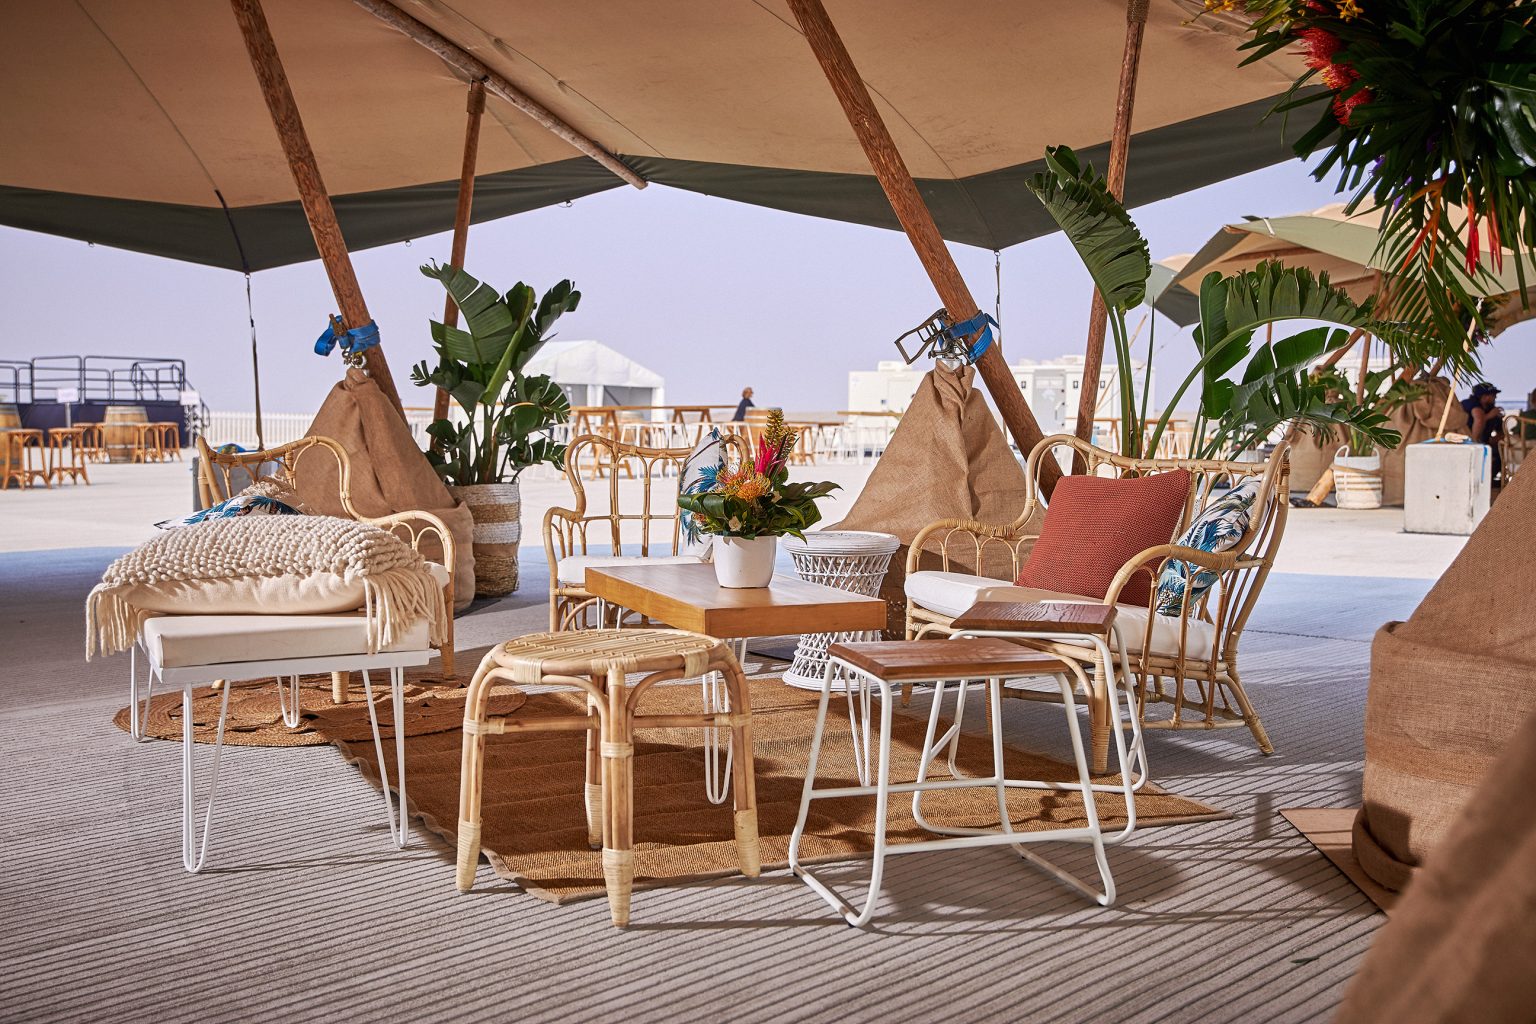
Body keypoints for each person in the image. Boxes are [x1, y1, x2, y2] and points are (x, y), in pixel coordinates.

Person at [1462, 381, 1504, 482]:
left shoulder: (1491, 409)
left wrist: (1495, 439)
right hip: (1465, 442)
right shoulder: (1470, 404)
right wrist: (1489, 416)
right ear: (1485, 396)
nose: (1495, 398)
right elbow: (1479, 418)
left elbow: (1501, 431)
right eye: (1493, 395)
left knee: (1501, 453)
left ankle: (1489, 480)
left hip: (1485, 442)